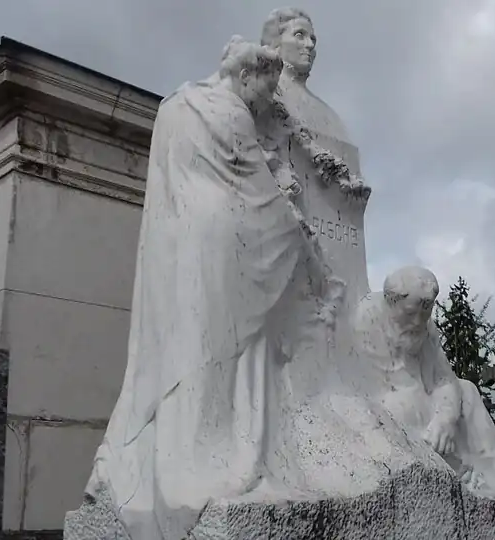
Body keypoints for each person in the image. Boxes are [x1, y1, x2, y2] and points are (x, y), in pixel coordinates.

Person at [83, 37, 330, 539]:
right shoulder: (231, 113)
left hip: (178, 242)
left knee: (186, 344)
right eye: (264, 91)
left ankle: (160, 449)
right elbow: (260, 195)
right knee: (230, 347)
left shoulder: (176, 104)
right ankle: (213, 454)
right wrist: (305, 245)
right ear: (247, 76)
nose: (263, 104)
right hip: (225, 242)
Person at [353, 266, 495, 499]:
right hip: (386, 402)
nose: (418, 322)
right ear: (391, 300)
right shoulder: (367, 321)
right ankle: (457, 469)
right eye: (410, 313)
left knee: (467, 389)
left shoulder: (424, 327)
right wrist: (439, 422)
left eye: (425, 311)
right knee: (403, 403)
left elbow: (445, 379)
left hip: (419, 397)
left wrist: (444, 419)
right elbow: (394, 385)